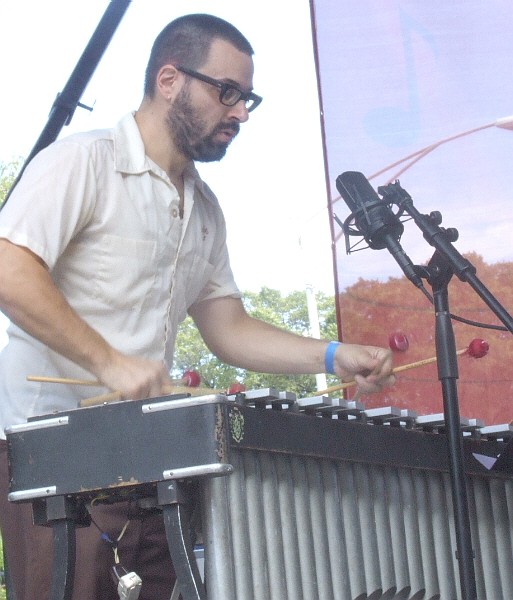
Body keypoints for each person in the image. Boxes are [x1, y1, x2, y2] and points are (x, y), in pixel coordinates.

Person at [0, 13, 395, 600]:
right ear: (169, 79)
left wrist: (331, 354)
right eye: (227, 92)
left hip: (151, 458)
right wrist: (110, 362)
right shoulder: (80, 162)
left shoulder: (206, 208)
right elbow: (10, 269)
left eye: (247, 98)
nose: (240, 112)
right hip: (53, 453)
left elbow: (225, 325)